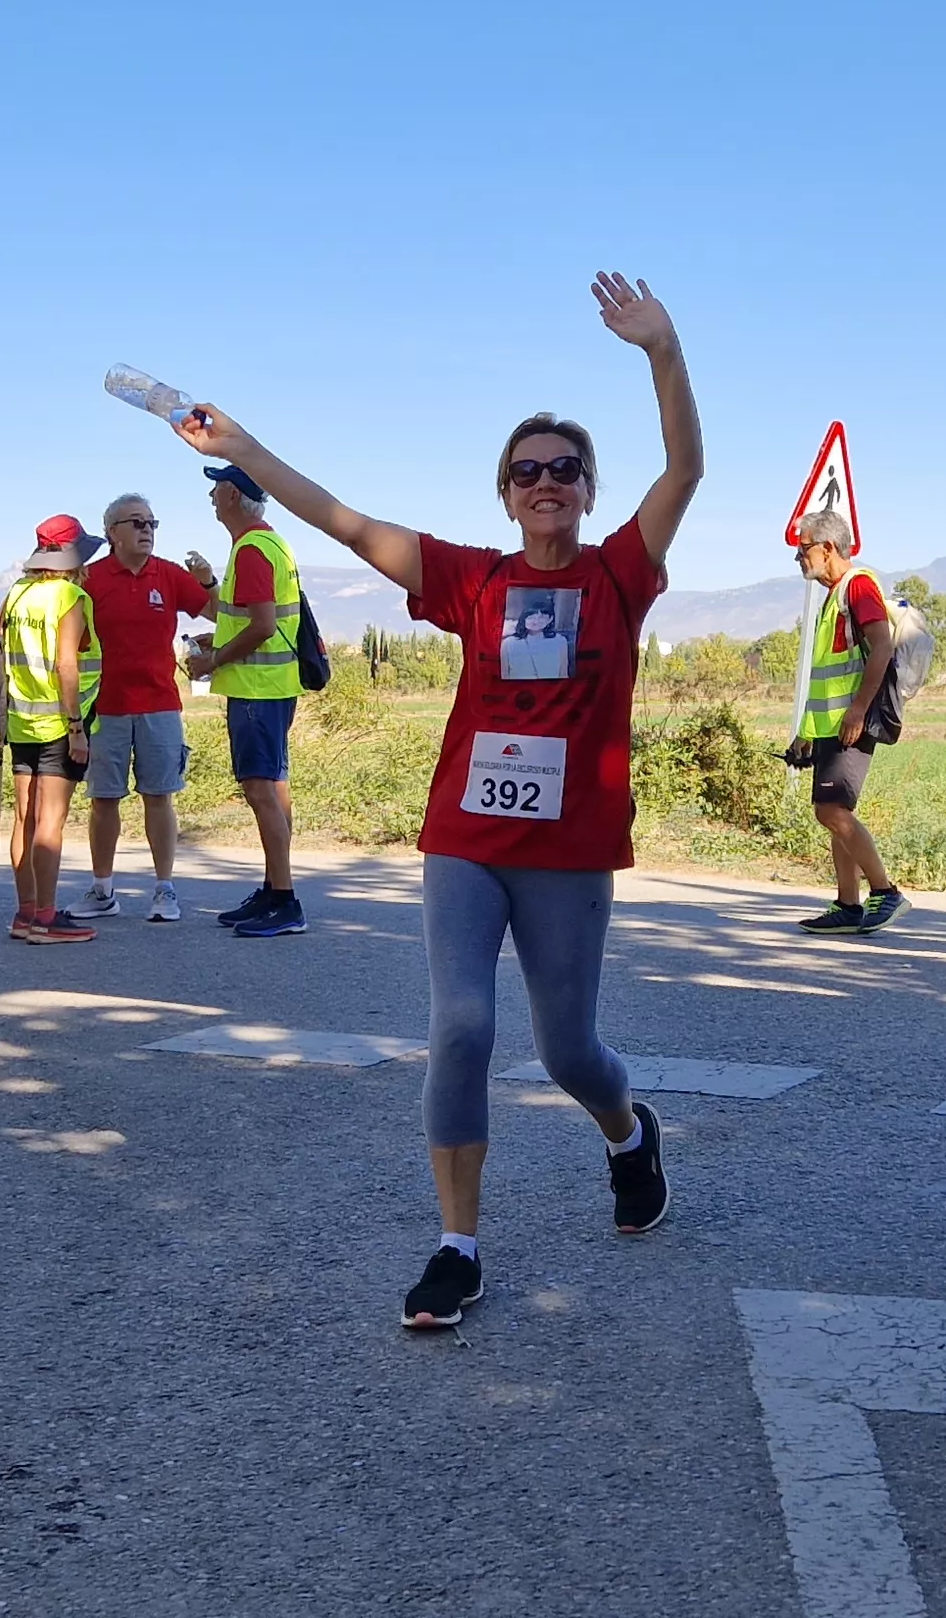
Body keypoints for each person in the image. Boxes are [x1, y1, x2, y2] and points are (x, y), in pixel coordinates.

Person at [170, 269, 704, 1332]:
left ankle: (626, 1130)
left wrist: (662, 350)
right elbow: (342, 522)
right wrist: (244, 450)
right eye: (525, 472)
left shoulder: (619, 576)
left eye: (564, 470)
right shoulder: (472, 579)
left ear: (589, 491)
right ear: (502, 494)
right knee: (461, 1023)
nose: (545, 483)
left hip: (570, 851)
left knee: (568, 1054)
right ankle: (456, 1246)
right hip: (467, 835)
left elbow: (686, 468)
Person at [67, 493, 212, 923]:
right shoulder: (88, 579)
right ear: (112, 532)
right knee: (104, 799)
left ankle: (164, 889)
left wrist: (206, 580)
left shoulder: (167, 575)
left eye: (151, 523)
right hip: (106, 708)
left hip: (159, 705)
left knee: (159, 796)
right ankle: (102, 890)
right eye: (135, 522)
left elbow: (218, 613)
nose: (146, 530)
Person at [185, 462, 312, 938]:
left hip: (256, 691)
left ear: (235, 496)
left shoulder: (253, 549)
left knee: (261, 791)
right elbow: (246, 617)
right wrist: (207, 592)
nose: (212, 497)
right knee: (275, 789)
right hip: (273, 687)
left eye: (217, 489)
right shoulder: (265, 543)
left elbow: (260, 627)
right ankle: (272, 888)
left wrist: (212, 659)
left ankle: (284, 900)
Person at [786, 510, 905, 933]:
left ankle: (885, 892)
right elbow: (824, 674)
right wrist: (804, 731)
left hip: (852, 723)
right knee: (837, 812)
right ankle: (848, 905)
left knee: (831, 811)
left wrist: (858, 710)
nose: (799, 559)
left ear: (827, 548)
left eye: (803, 550)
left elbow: (882, 647)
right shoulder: (834, 596)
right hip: (830, 725)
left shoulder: (858, 588)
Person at [0, 515, 106, 944]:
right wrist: (77, 727)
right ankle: (46, 918)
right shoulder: (70, 596)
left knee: (24, 817)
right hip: (60, 724)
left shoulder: (18, 592)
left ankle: (24, 914)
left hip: (21, 720)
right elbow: (66, 664)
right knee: (51, 820)